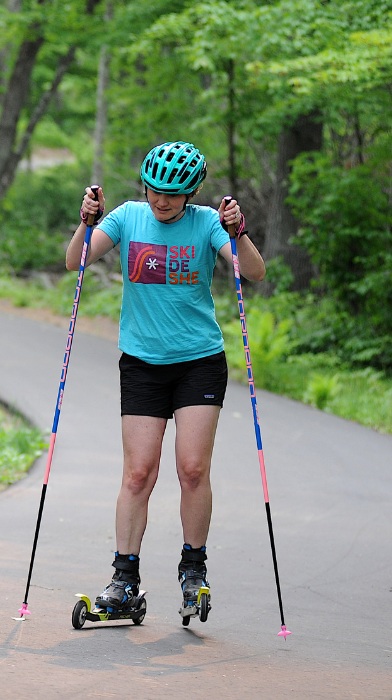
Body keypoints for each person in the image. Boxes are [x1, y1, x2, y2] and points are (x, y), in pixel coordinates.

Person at [66, 141, 266, 619]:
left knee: (192, 470)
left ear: (191, 192)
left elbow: (255, 273)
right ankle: (123, 580)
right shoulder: (127, 217)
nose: (162, 201)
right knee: (138, 474)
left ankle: (193, 570)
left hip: (198, 360)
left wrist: (238, 233)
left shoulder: (206, 223)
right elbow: (75, 261)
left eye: (173, 195)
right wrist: (86, 222)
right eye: (156, 191)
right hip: (141, 362)